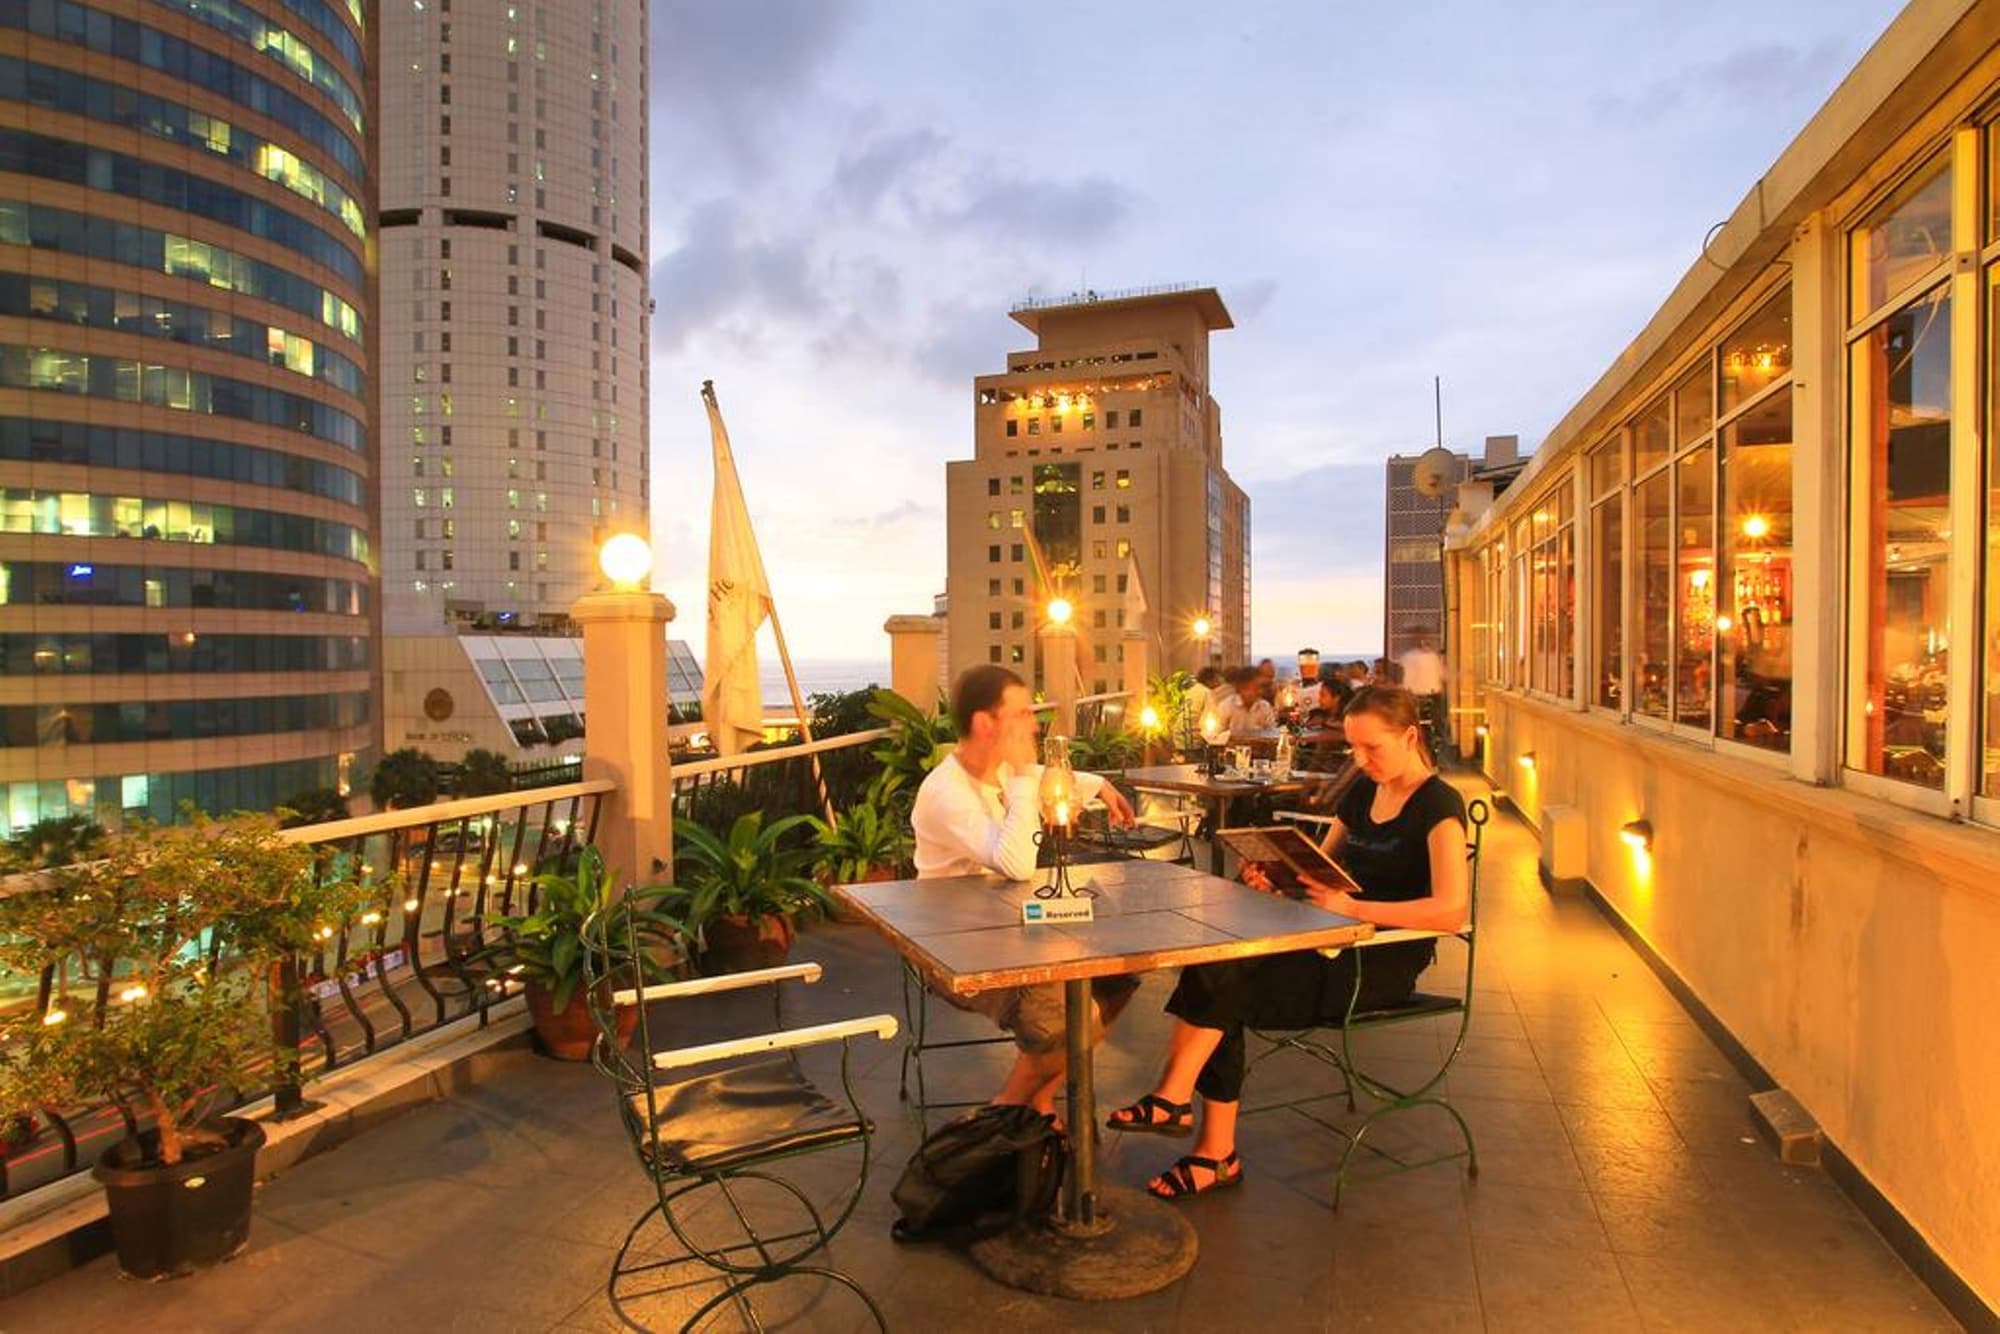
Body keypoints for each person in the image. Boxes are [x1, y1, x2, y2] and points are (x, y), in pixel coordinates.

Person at [1104, 686, 1469, 1199]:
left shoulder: (1439, 805)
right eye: (1353, 749)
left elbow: (1452, 911)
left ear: (1410, 737)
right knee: (1219, 961)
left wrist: (1356, 911)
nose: (1360, 762)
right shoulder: (1366, 792)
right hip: (1329, 937)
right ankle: (1195, 1126)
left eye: (1372, 749)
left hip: (1379, 960)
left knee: (1224, 983)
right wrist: (1280, 877)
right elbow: (1322, 869)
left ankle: (1193, 1123)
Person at [910, 665, 1142, 1117]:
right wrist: (1019, 776)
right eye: (1020, 713)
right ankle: (1007, 1111)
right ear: (985, 723)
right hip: (957, 949)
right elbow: (1016, 864)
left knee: (1117, 980)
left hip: (1011, 931)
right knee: (1071, 1014)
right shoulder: (946, 792)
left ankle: (1034, 1102)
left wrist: (1101, 785)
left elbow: (1044, 773)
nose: (1033, 724)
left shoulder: (996, 771)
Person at [1398, 629, 1447, 747]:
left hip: (1432, 695)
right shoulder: (1408, 657)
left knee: (1436, 725)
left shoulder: (1432, 656)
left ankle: (1436, 744)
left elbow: (1442, 675)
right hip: (1415, 696)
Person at [1212, 666, 1276, 734]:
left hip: (1259, 743)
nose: (1259, 691)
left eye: (1259, 687)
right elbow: (1217, 734)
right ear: (1241, 688)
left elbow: (1271, 732)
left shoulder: (1265, 706)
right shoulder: (1226, 706)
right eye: (1255, 688)